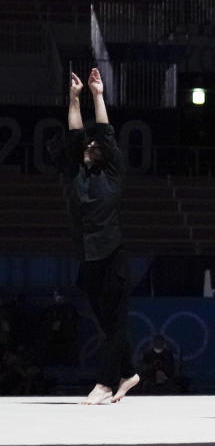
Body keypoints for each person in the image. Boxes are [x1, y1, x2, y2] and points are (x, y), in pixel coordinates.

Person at [63, 68, 140, 404]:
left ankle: (105, 383)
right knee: (107, 323)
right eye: (88, 143)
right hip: (86, 256)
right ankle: (129, 373)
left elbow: (105, 133)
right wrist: (74, 98)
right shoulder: (75, 174)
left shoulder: (112, 172)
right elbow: (74, 135)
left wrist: (97, 94)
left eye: (97, 144)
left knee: (115, 322)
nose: (92, 144)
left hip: (113, 255)